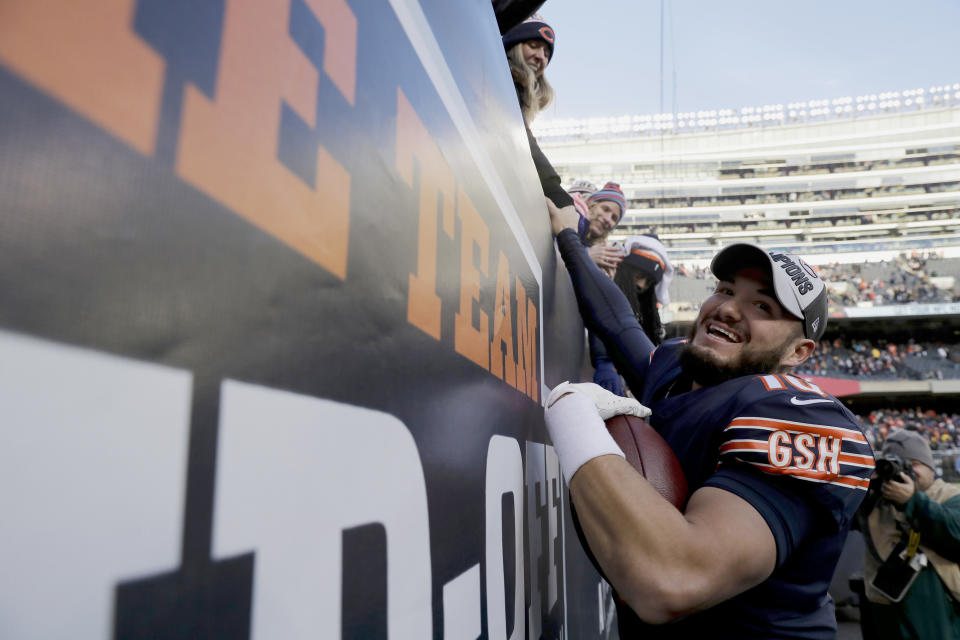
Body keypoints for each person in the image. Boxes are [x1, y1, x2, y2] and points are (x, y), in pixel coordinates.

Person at [543, 199, 875, 638]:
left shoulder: (799, 415)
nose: (729, 309)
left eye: (763, 307)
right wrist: (570, 238)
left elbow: (674, 577)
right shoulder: (678, 370)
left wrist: (575, 420)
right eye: (725, 289)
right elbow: (620, 325)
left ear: (798, 352)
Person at [856, 429, 960, 639]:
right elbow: (836, 517)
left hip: (938, 616)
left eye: (913, 465)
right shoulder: (875, 501)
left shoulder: (950, 495)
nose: (904, 472)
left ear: (931, 468)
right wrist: (864, 484)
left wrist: (913, 501)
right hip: (883, 610)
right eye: (896, 464)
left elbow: (954, 533)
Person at [502, 14, 575, 212]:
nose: (541, 57)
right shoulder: (502, 81)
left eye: (546, 53)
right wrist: (555, 191)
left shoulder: (518, 92)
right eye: (533, 45)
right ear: (513, 45)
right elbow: (521, 140)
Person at [591, 235, 673, 395]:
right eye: (639, 276)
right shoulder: (601, 281)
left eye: (648, 282)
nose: (641, 285)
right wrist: (604, 360)